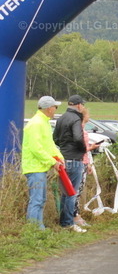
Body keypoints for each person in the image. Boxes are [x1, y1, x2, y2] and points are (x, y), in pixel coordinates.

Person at [21, 96, 64, 230]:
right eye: (55, 107)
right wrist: (52, 161)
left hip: (40, 167)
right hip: (34, 168)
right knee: (37, 200)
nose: (56, 109)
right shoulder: (36, 123)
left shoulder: (44, 122)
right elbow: (36, 148)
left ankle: (38, 227)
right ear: (49, 108)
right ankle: (34, 229)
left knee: (41, 200)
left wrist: (59, 157)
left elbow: (49, 145)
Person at [53, 94, 88, 232]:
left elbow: (55, 138)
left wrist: (64, 147)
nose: (83, 107)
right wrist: (83, 150)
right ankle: (67, 223)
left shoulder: (61, 118)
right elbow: (78, 138)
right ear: (79, 105)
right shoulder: (76, 118)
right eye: (82, 105)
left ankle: (64, 221)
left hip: (63, 159)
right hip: (74, 159)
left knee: (65, 192)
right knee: (72, 192)